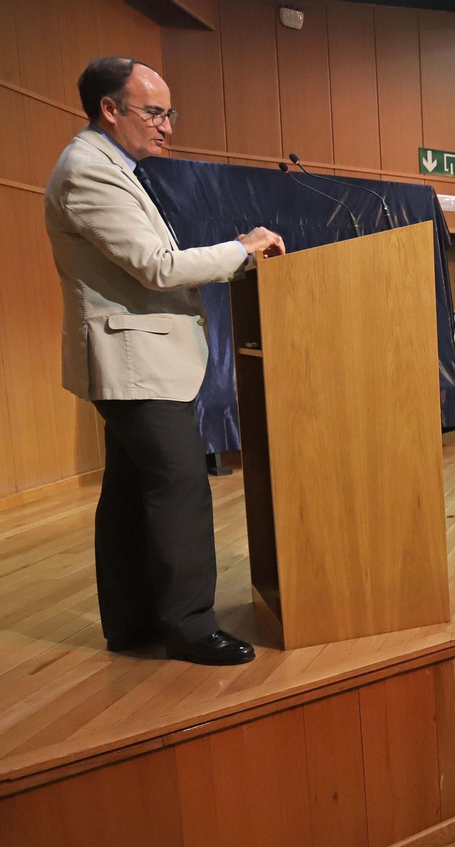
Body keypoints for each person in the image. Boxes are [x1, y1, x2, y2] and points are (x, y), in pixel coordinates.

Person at [47, 56, 286, 665]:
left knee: (131, 490)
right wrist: (243, 249)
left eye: (168, 112)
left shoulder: (110, 165)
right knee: (180, 486)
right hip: (133, 363)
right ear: (110, 109)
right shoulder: (88, 171)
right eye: (154, 112)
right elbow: (157, 268)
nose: (167, 126)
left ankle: (132, 623)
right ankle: (188, 626)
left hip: (138, 361)